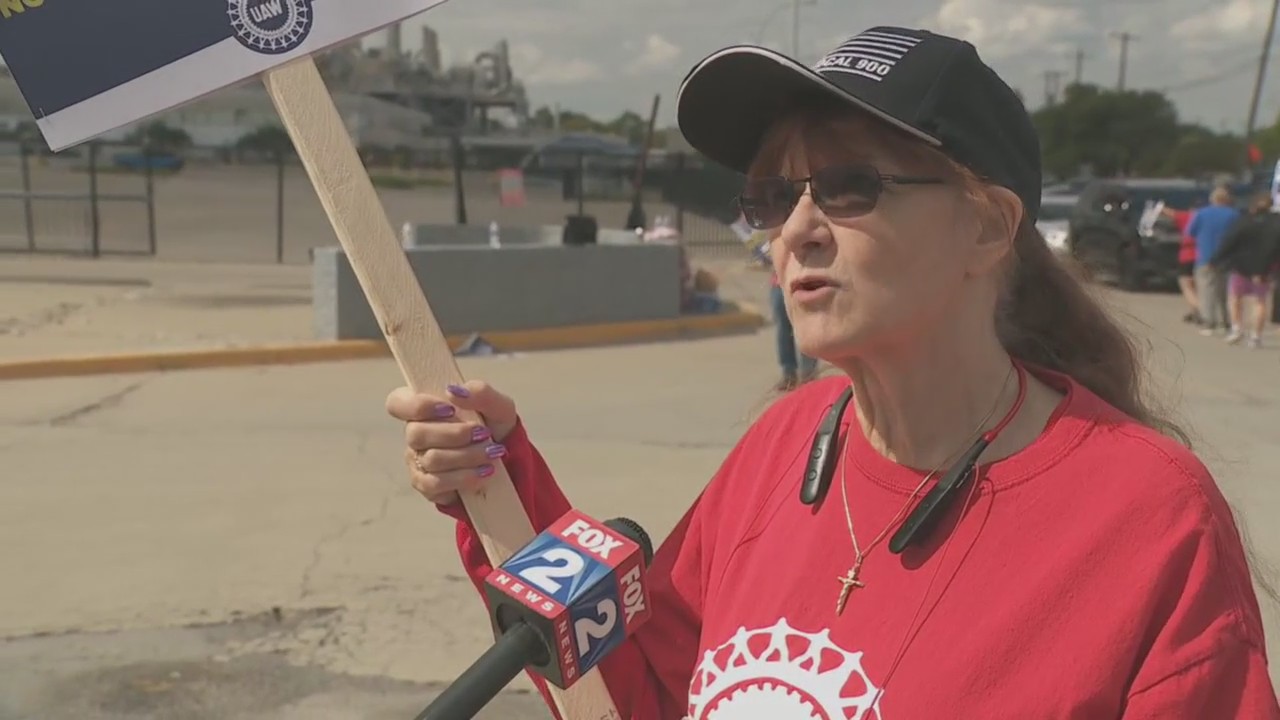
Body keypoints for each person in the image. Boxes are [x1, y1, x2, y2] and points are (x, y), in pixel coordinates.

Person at [387, 27, 1280, 719]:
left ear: (986, 228)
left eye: (849, 186)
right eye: (775, 195)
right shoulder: (786, 438)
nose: (797, 230)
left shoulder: (1150, 514)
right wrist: (501, 489)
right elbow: (639, 691)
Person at [1209, 194, 1280, 348]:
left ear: (1253, 206)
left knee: (1235, 298)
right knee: (1260, 302)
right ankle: (1255, 336)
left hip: (1241, 267)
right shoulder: (1276, 224)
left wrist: (1216, 259)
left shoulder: (1243, 222)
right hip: (1264, 269)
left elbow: (1230, 241)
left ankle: (1237, 328)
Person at [1187, 187, 1240, 335]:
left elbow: (1190, 232)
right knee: (1226, 291)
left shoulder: (1202, 213)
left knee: (1206, 291)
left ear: (1212, 199)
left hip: (1205, 256)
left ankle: (1209, 323)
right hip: (1228, 258)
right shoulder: (1234, 215)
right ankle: (1226, 321)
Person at [770, 267, 818, 390]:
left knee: (805, 327)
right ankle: (788, 374)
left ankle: (808, 376)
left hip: (804, 281)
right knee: (783, 330)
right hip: (779, 283)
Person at [1161, 203, 1200, 323]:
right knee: (1198, 285)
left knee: (1186, 284)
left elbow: (1170, 213)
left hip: (1187, 255)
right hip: (1202, 255)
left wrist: (1159, 207)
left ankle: (1199, 309)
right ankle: (1195, 310)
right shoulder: (1205, 218)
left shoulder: (1187, 217)